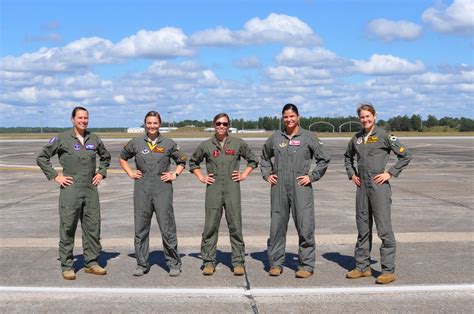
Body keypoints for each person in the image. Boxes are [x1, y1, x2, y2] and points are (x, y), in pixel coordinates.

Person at [37, 106, 111, 280]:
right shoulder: (62, 138)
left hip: (91, 189)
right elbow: (42, 157)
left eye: (86, 118)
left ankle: (91, 263)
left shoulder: (94, 138)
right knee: (68, 227)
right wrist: (56, 176)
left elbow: (105, 157)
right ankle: (67, 265)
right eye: (80, 118)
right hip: (71, 189)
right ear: (72, 119)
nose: (83, 121)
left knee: (92, 227)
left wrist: (101, 172)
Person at [344, 103, 411, 284]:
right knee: (363, 229)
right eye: (362, 117)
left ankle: (388, 270)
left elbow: (405, 155)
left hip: (379, 188)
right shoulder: (356, 138)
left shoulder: (385, 136)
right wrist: (352, 174)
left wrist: (390, 173)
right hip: (362, 189)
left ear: (374, 116)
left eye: (368, 116)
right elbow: (347, 157)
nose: (365, 120)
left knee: (384, 230)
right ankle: (362, 267)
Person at [260, 104, 330, 278]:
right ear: (282, 118)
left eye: (292, 116)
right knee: (277, 226)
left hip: (301, 187)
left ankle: (306, 265)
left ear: (298, 117)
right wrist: (267, 174)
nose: (289, 119)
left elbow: (324, 159)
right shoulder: (276, 138)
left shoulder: (308, 137)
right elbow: (264, 156)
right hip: (279, 188)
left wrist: (312, 177)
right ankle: (276, 263)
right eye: (286, 117)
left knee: (305, 226)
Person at [189, 113, 258, 276]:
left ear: (229, 126)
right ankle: (208, 261)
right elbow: (193, 162)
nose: (221, 126)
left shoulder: (238, 143)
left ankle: (238, 262)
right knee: (210, 226)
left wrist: (244, 174)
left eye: (225, 124)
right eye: (219, 123)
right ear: (214, 125)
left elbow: (253, 160)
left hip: (232, 188)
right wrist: (201, 177)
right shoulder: (206, 145)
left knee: (235, 225)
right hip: (213, 189)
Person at [119, 111, 186, 277]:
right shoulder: (136, 143)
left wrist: (174, 174)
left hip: (162, 188)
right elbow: (122, 157)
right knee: (141, 227)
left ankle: (173, 263)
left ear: (159, 124)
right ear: (145, 124)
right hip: (142, 188)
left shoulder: (169, 143)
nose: (152, 126)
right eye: (149, 123)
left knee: (167, 227)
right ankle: (142, 263)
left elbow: (182, 160)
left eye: (155, 123)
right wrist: (130, 173)